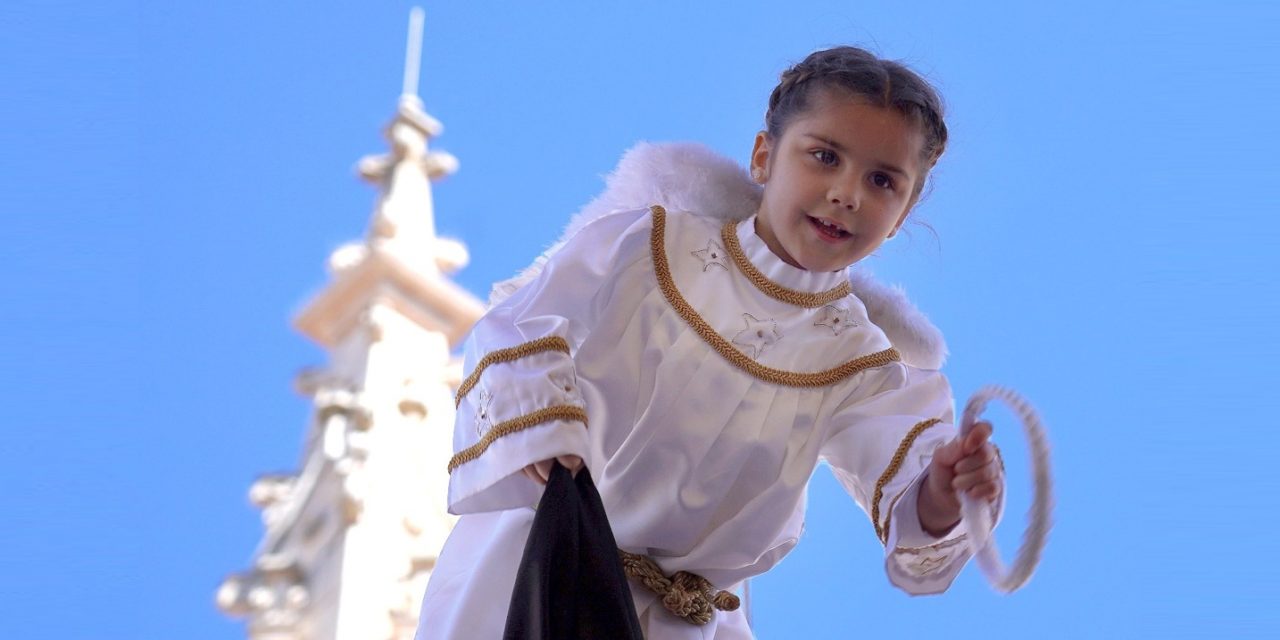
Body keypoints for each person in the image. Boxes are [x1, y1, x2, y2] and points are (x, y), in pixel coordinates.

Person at [416, 46, 1005, 639]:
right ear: (764, 157)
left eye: (882, 180)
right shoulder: (649, 246)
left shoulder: (864, 363)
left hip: (685, 623)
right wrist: (549, 437)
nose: (847, 193)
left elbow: (910, 504)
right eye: (825, 157)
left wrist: (946, 488)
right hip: (539, 571)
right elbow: (519, 322)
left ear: (900, 215)